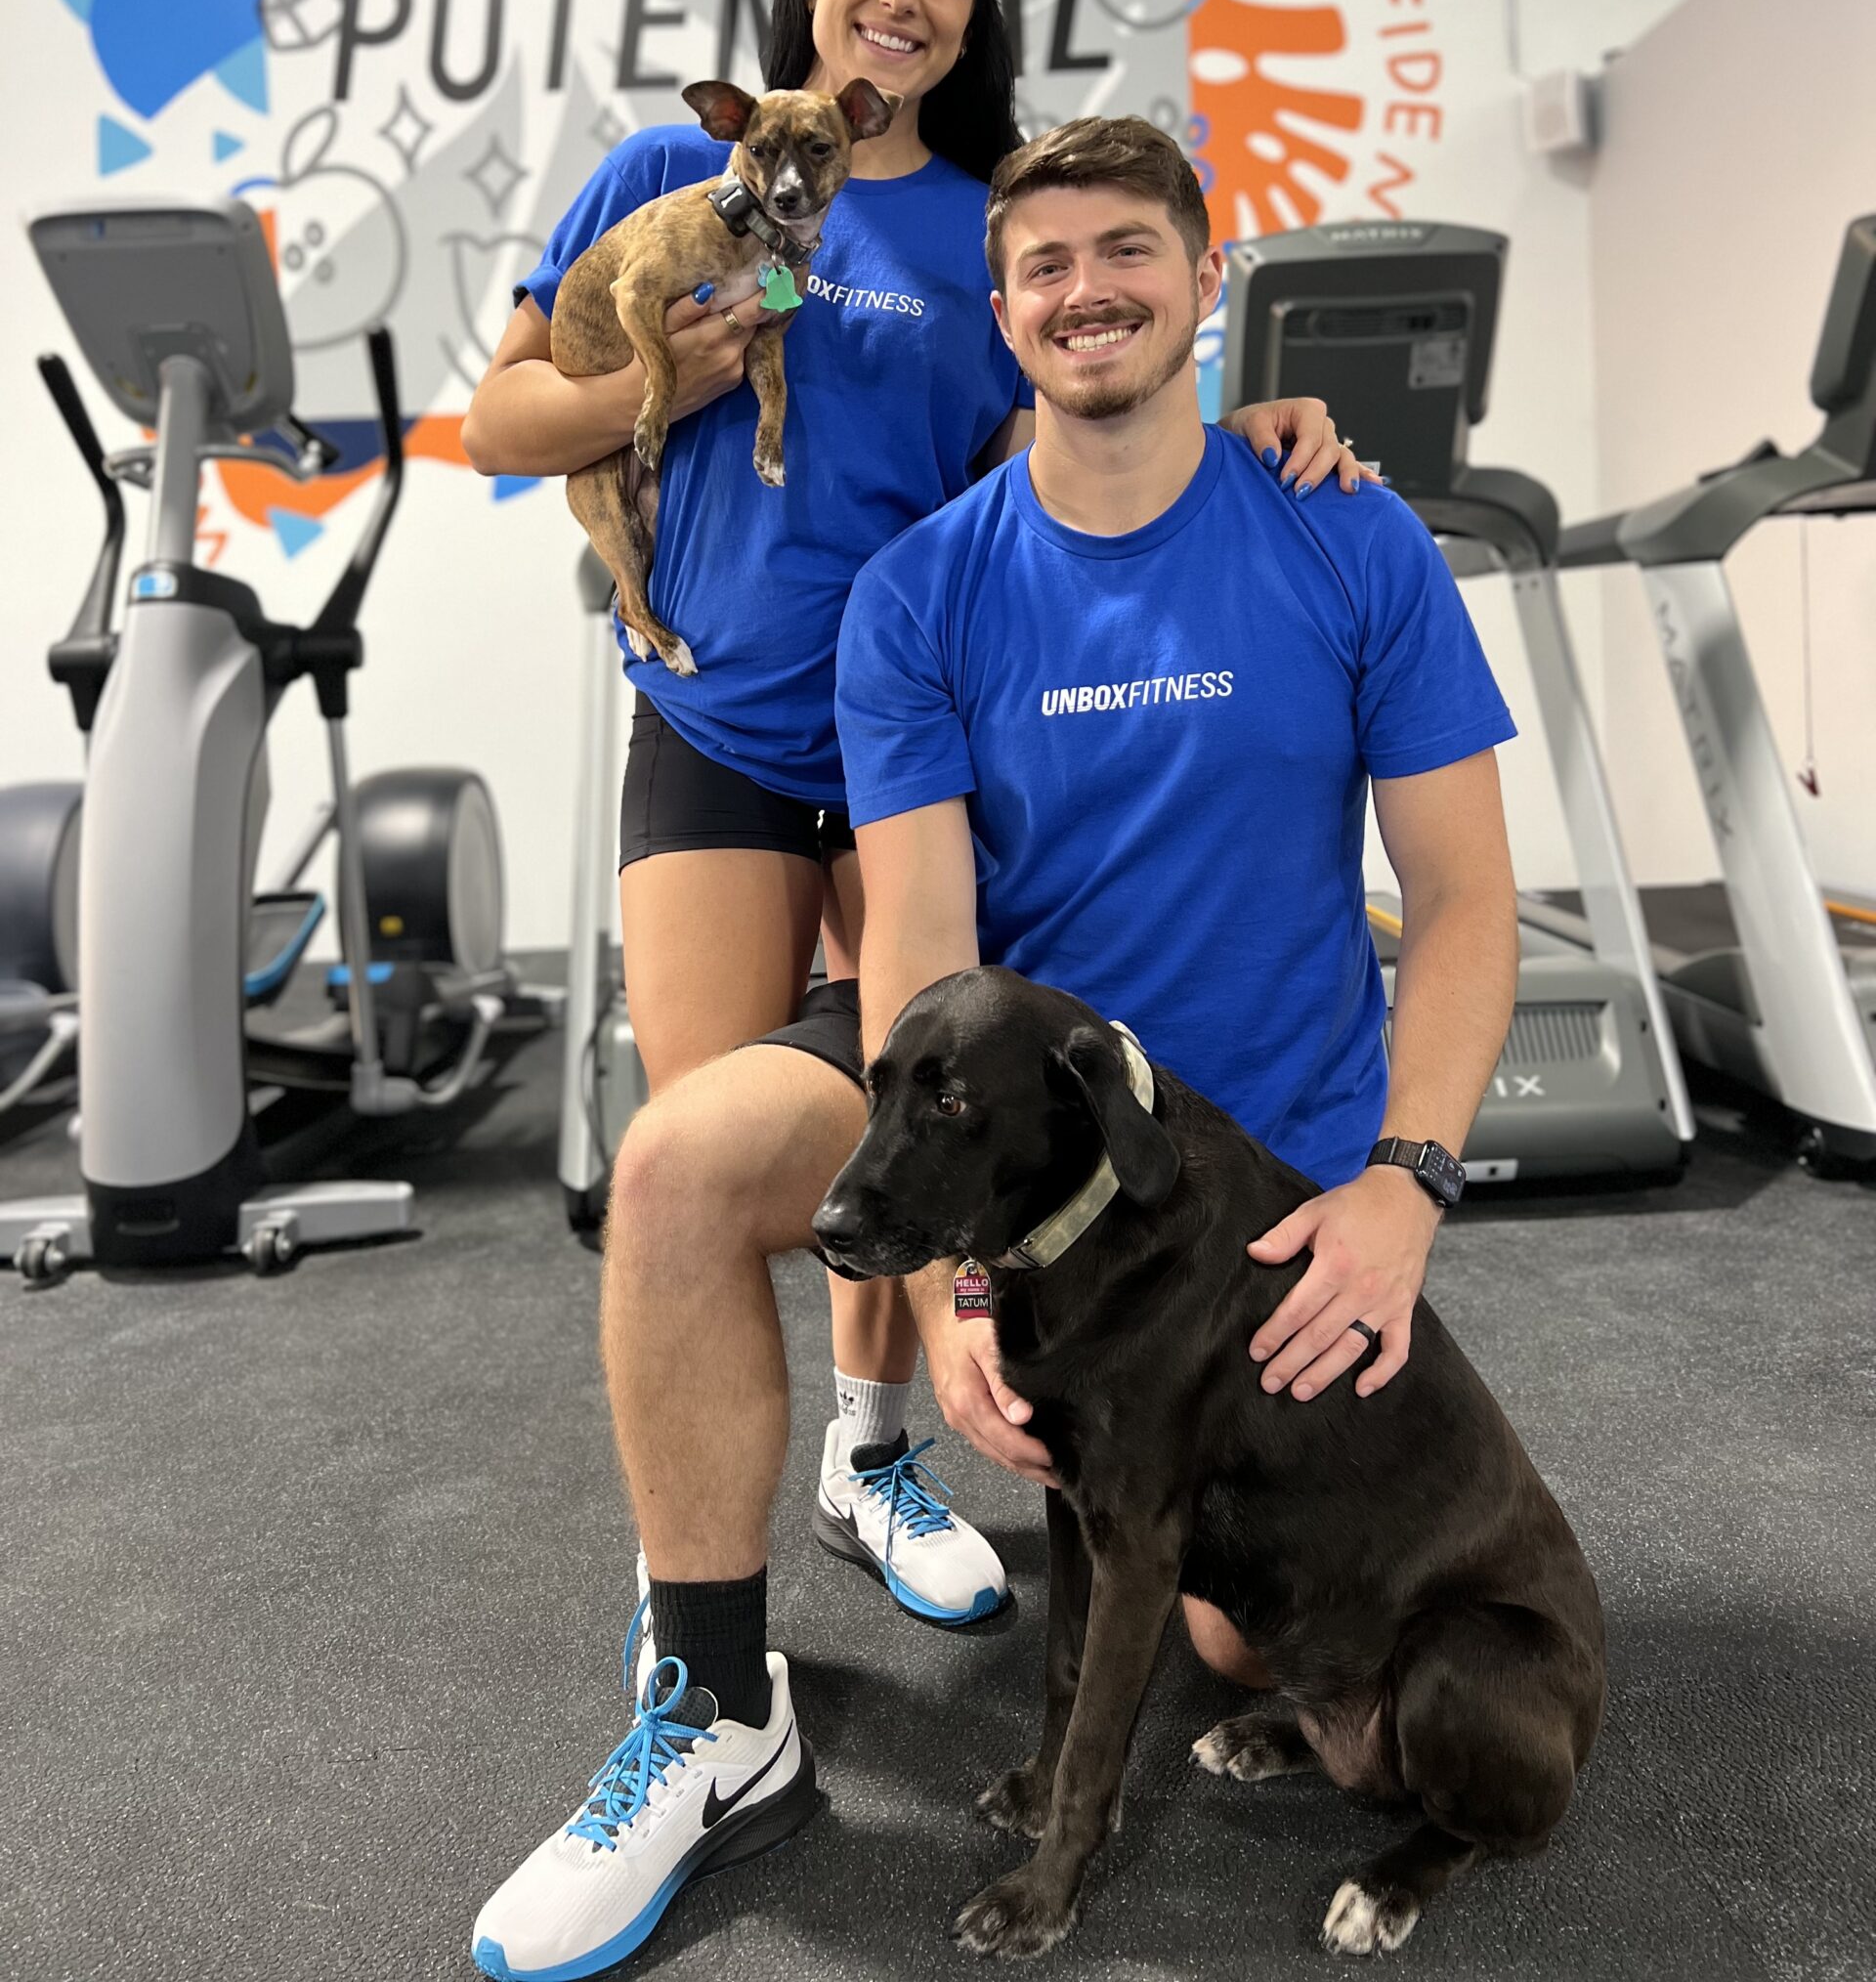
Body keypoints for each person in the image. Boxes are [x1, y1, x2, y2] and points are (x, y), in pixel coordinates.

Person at [467, 106, 1512, 1982]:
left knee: (1238, 1634)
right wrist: (966, 1283)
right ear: (1004, 310)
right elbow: (927, 954)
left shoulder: (1349, 536)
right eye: (1045, 265)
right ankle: (716, 1712)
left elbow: (1463, 904)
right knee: (681, 1161)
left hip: (1262, 1157)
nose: (1086, 289)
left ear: (1208, 279)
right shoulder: (921, 592)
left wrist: (1405, 1188)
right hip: (1024, 1118)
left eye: (1129, 251)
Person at [463, 0, 1360, 1626]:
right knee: (703, 1169)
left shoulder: (988, 220)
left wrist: (1242, 424)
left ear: (973, 20)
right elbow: (499, 424)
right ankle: (691, 1585)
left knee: (911, 1128)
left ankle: (872, 1462)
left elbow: (1063, 438)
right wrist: (668, 381)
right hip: (715, 724)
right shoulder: (671, 172)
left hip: (923, 745)